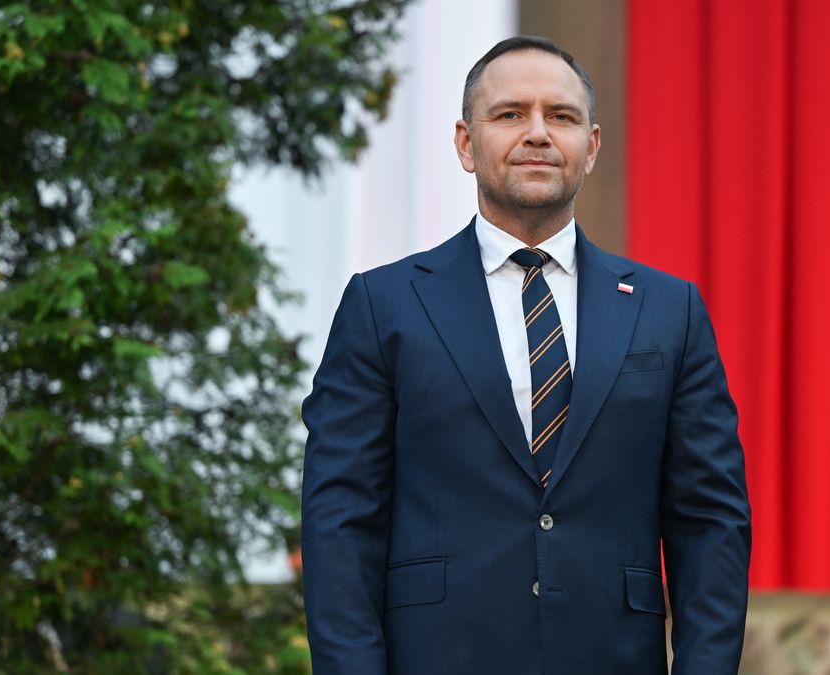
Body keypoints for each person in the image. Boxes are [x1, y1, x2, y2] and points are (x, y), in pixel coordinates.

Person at [301, 35, 751, 674]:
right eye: (510, 113)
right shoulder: (383, 305)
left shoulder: (668, 310)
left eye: (561, 116)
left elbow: (710, 521)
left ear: (590, 147)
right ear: (466, 144)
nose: (537, 133)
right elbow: (340, 521)